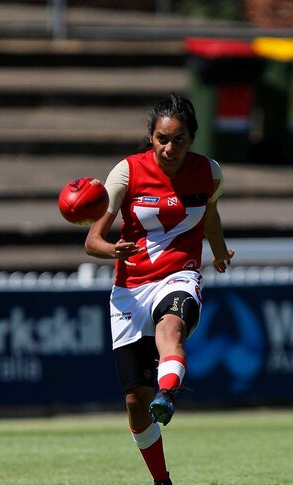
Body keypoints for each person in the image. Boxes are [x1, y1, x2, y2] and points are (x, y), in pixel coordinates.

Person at [85, 93, 234, 485]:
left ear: (192, 139)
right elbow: (92, 240)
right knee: (135, 404)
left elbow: (212, 218)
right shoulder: (127, 173)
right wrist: (112, 248)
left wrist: (218, 254)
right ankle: (162, 480)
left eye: (179, 140)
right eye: (162, 139)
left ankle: (166, 394)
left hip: (179, 276)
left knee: (171, 329)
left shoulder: (210, 173)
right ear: (151, 138)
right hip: (130, 289)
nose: (170, 148)